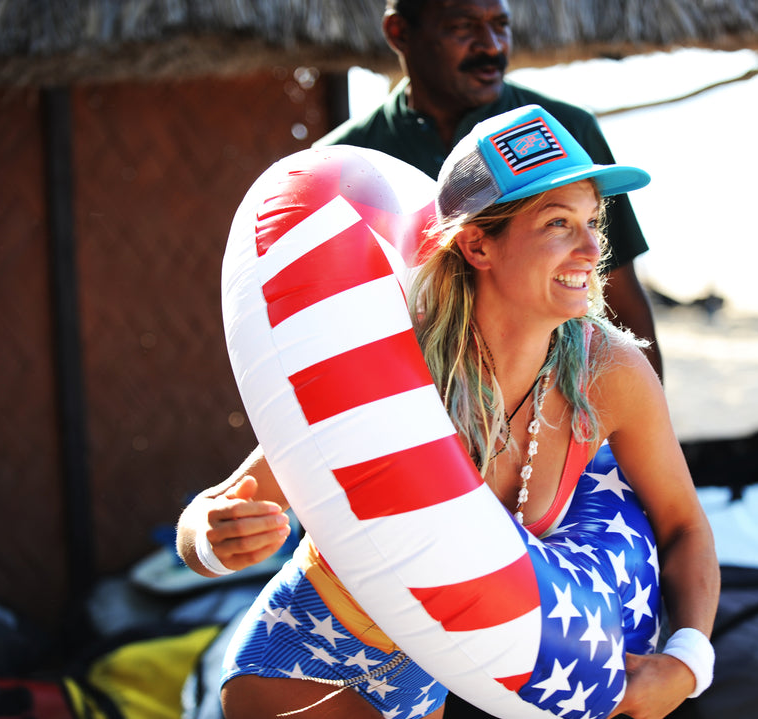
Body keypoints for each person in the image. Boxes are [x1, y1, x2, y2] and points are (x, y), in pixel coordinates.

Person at [177, 106, 719, 719]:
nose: (592, 247)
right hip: (309, 655)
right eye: (558, 223)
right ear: (477, 243)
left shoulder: (608, 373)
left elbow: (685, 526)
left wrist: (689, 661)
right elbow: (214, 513)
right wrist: (214, 538)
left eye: (593, 220)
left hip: (433, 673)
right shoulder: (401, 361)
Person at [316, 0, 663, 379]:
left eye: (501, 25)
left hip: (548, 401)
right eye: (464, 27)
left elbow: (619, 294)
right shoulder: (346, 163)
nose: (492, 46)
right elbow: (330, 319)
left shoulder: (564, 132)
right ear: (399, 32)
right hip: (405, 400)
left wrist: (643, 415)